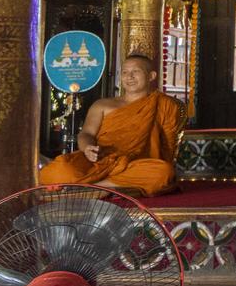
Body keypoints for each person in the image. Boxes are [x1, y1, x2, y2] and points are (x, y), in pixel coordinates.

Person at [39, 54, 183, 197]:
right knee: (55, 172)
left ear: (151, 76)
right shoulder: (103, 105)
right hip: (99, 161)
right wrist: (87, 148)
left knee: (163, 172)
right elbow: (86, 133)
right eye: (125, 72)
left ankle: (96, 188)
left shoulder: (164, 104)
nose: (129, 77)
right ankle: (112, 187)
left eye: (136, 71)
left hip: (134, 165)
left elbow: (167, 146)